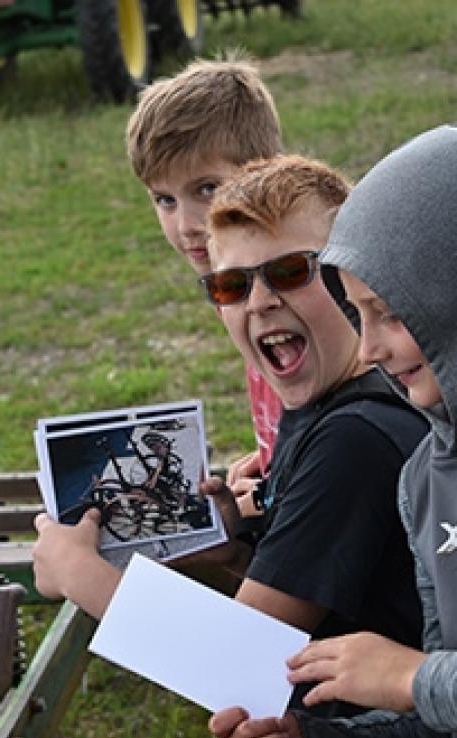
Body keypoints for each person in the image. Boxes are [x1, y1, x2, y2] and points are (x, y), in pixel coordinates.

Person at [33, 154, 455, 738]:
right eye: (229, 286)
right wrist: (240, 555)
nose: (259, 301)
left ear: (352, 274)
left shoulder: (353, 438)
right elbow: (352, 586)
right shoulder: (324, 409)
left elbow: (247, 661)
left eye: (292, 271)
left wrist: (83, 576)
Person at [210, 126, 457, 738]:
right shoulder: (427, 478)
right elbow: (440, 730)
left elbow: (416, 683)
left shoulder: (361, 435)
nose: (372, 345)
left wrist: (411, 679)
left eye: (391, 313)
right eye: (360, 313)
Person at [126, 55, 283, 492]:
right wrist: (273, 454)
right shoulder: (233, 281)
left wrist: (276, 489)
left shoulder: (286, 289)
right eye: (165, 200)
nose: (186, 225)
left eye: (207, 189)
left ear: (268, 170)